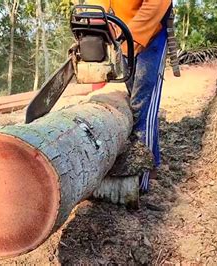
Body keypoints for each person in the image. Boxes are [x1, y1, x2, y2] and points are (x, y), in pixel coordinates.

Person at [87, 0, 172, 193]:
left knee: (142, 106)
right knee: (134, 102)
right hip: (123, 37)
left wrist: (128, 34)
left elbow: (158, 3)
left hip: (152, 36)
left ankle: (143, 175)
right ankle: (154, 160)